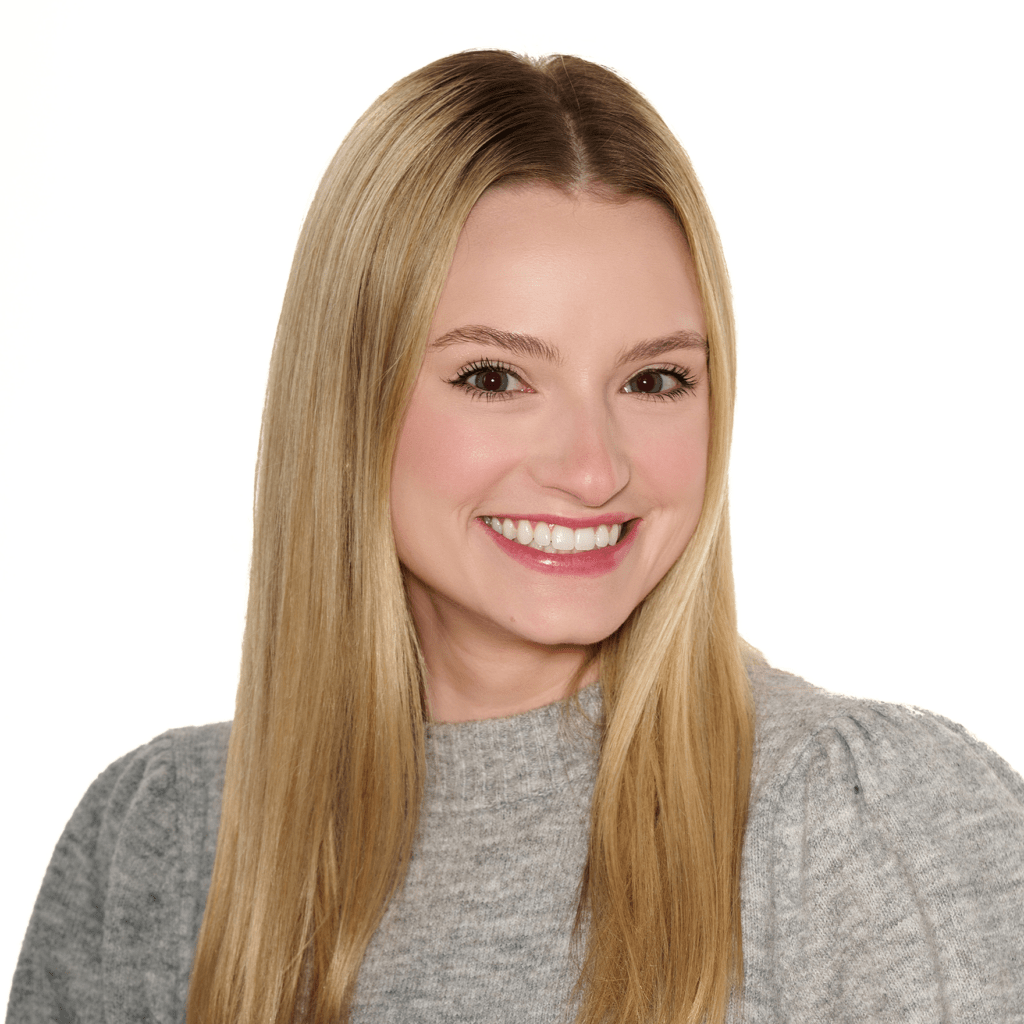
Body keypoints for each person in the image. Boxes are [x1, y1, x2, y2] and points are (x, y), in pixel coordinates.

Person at [7, 49, 1024, 1024]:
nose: (592, 468)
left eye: (654, 379)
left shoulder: (863, 820)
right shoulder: (160, 839)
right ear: (347, 402)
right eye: (494, 377)